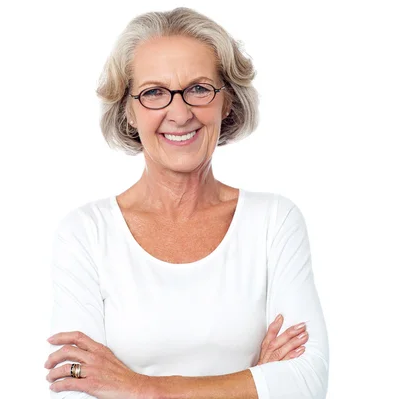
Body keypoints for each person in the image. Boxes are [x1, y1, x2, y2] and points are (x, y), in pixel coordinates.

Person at [44, 7, 329, 399]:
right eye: (154, 93)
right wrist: (252, 381)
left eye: (198, 88)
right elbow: (74, 385)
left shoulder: (274, 222)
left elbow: (305, 383)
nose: (179, 114)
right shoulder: (86, 233)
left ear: (226, 101)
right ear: (128, 109)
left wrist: (139, 388)